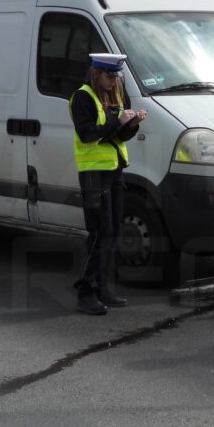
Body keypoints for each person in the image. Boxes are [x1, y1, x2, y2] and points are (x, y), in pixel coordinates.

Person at [70, 52, 147, 315]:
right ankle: (85, 291)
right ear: (96, 73)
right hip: (94, 174)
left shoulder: (114, 96)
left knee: (112, 231)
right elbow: (88, 133)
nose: (113, 81)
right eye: (109, 75)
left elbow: (118, 135)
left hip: (114, 172)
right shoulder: (82, 97)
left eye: (116, 76)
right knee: (98, 233)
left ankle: (104, 288)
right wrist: (118, 121)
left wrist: (132, 124)